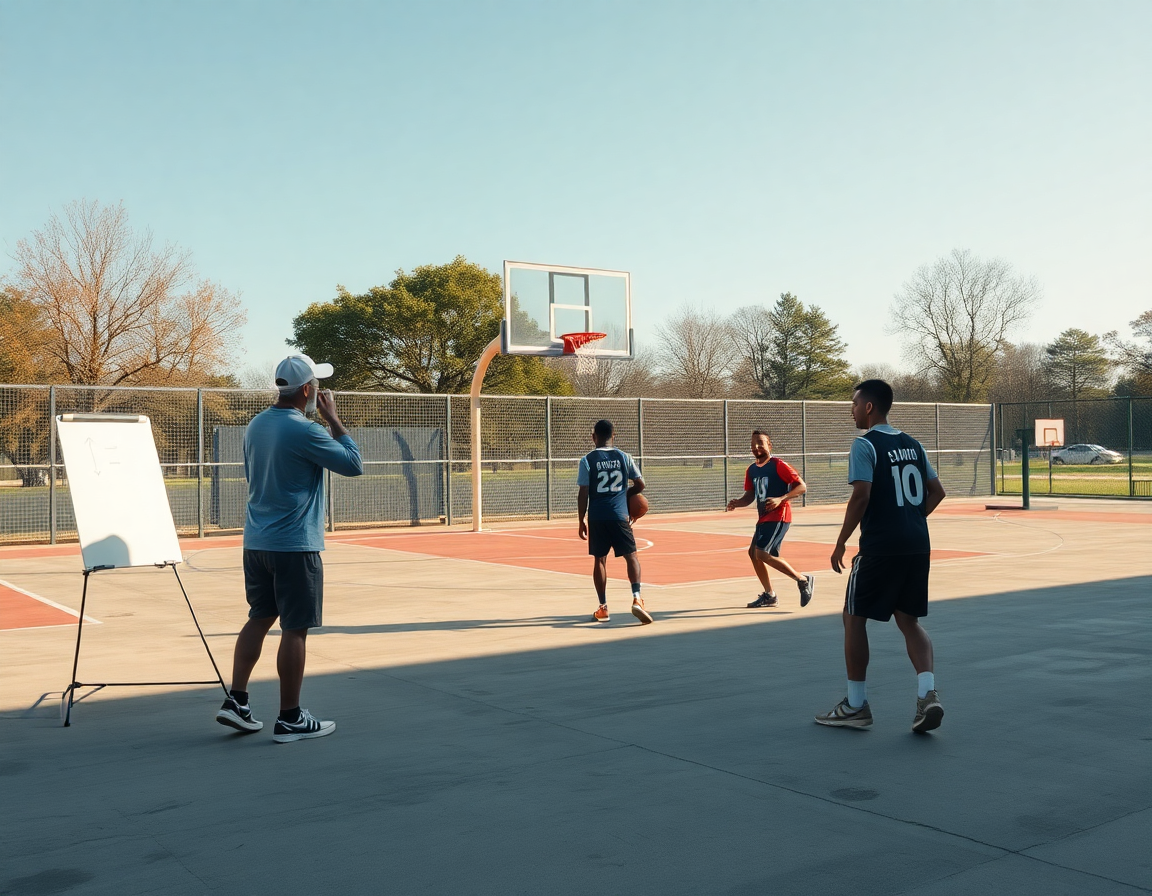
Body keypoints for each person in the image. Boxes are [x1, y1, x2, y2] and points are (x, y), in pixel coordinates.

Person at [215, 353, 364, 744]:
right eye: (316, 385)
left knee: (259, 617)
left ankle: (238, 701)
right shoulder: (306, 430)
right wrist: (333, 419)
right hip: (295, 545)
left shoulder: (256, 425)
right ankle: (290, 717)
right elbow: (353, 464)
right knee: (295, 629)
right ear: (306, 390)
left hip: (257, 541)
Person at [817, 379, 946, 733]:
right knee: (909, 620)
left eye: (855, 403)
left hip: (881, 547)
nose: (852, 409)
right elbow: (938, 491)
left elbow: (861, 496)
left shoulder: (864, 444)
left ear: (870, 407)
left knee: (853, 616)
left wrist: (842, 540)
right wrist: (912, 519)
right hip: (918, 545)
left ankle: (856, 706)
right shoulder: (914, 444)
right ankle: (927, 694)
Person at [725, 430, 813, 608]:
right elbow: (750, 496)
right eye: (752, 444)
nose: (756, 447)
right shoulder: (751, 470)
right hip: (763, 517)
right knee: (754, 554)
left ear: (769, 445)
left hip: (779, 515)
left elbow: (802, 487)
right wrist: (738, 502)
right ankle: (769, 595)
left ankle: (803, 579)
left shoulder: (778, 465)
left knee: (762, 554)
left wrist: (781, 498)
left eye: (760, 443)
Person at [577, 419, 652, 625]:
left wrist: (581, 519)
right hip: (619, 515)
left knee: (600, 560)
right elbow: (640, 484)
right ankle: (637, 598)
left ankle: (603, 608)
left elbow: (583, 492)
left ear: (594, 437)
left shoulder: (587, 460)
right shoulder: (624, 457)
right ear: (614, 436)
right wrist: (627, 493)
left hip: (597, 517)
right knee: (632, 557)